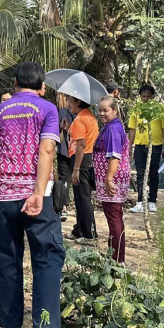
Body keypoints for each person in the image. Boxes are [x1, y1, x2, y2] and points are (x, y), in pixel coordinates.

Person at [0, 61, 64, 328]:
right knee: (46, 257)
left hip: (5, 196)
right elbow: (46, 150)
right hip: (37, 197)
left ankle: (11, 325)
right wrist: (38, 192)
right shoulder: (47, 109)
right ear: (42, 87)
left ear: (15, 82)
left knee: (7, 257)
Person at [94, 95, 129, 262]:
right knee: (114, 216)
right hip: (110, 178)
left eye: (105, 110)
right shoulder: (110, 126)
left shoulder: (113, 129)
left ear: (114, 110)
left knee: (114, 217)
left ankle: (116, 258)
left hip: (112, 179)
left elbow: (114, 157)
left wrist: (108, 180)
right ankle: (113, 254)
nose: (102, 113)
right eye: (99, 110)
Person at [128, 83, 164, 213]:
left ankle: (152, 201)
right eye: (143, 96)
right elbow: (132, 129)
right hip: (140, 147)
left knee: (153, 174)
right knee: (140, 174)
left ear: (152, 97)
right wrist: (129, 146)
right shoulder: (136, 110)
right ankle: (140, 201)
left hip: (155, 146)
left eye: (148, 96)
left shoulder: (159, 110)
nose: (145, 99)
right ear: (140, 97)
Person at [67, 96, 99, 241]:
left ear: (78, 102)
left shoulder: (80, 119)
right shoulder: (90, 116)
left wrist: (76, 169)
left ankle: (89, 233)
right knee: (81, 197)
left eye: (70, 101)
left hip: (81, 159)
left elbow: (81, 144)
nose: (68, 104)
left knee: (83, 197)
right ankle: (79, 229)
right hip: (88, 158)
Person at [52, 93, 74, 223]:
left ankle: (64, 207)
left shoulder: (62, 112)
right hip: (75, 151)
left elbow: (56, 133)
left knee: (64, 180)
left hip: (65, 150)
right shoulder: (83, 114)